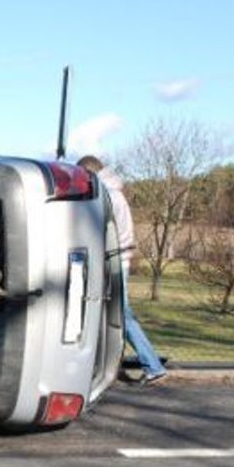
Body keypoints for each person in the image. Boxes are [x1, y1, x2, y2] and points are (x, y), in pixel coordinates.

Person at [78, 155, 167, 384]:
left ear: (90, 174)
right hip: (119, 260)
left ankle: (152, 365)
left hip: (114, 261)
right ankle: (113, 364)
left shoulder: (106, 196)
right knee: (114, 314)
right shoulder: (114, 192)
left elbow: (98, 231)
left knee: (121, 315)